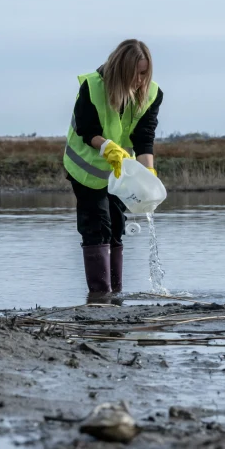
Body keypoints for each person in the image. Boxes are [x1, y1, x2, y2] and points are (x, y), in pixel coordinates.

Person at [63, 39, 162, 300]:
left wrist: (148, 175)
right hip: (85, 167)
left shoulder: (151, 94)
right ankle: (99, 294)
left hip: (120, 172)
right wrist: (107, 147)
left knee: (117, 223)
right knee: (97, 224)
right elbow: (87, 130)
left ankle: (114, 294)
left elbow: (144, 137)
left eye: (144, 73)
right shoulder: (92, 87)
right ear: (121, 69)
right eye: (135, 73)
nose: (140, 80)